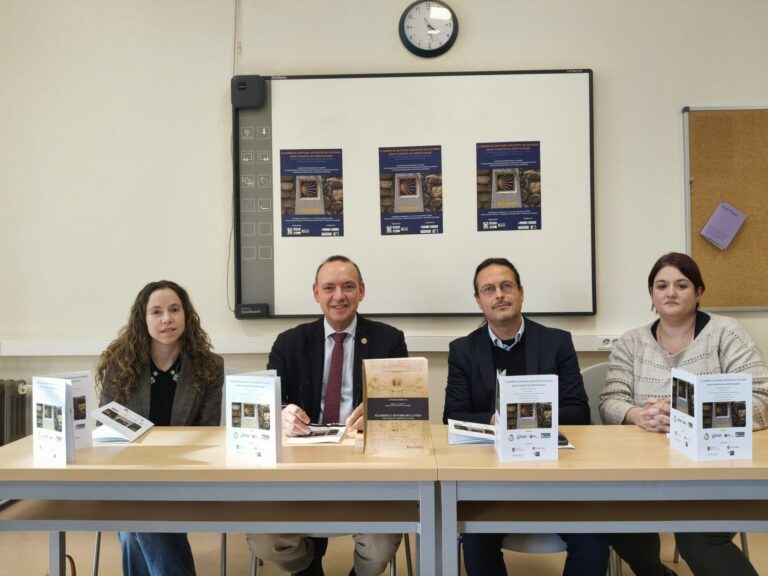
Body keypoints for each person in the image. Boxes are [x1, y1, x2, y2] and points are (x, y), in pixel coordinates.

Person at [600, 252, 768, 576]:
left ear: (699, 292)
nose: (671, 293)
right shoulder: (631, 342)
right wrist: (638, 415)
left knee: (698, 537)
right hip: (643, 470)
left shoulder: (727, 333)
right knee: (613, 516)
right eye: (661, 285)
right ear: (652, 295)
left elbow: (762, 398)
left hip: (714, 467)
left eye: (682, 284)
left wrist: (691, 415)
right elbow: (610, 401)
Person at [443, 257, 609, 576]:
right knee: (475, 540)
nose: (499, 295)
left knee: (594, 540)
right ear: (479, 300)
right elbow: (452, 416)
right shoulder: (463, 350)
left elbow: (579, 412)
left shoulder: (557, 342)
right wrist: (497, 421)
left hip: (555, 475)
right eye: (489, 289)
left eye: (507, 286)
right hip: (490, 481)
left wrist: (519, 417)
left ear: (521, 293)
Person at [247, 255, 407, 576]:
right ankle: (308, 569)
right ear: (315, 293)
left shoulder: (389, 340)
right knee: (264, 538)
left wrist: (379, 414)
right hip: (299, 468)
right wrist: (281, 413)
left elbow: (403, 407)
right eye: (329, 287)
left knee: (381, 543)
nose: (339, 296)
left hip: (365, 467)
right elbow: (265, 405)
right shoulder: (289, 342)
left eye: (348, 287)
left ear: (361, 291)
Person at [96, 280, 224, 576]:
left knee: (134, 528)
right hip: (130, 475)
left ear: (186, 315)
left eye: (174, 309)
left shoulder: (209, 366)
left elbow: (207, 432)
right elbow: (106, 425)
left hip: (185, 475)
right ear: (143, 320)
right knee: (139, 520)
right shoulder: (120, 363)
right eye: (156, 312)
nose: (167, 319)